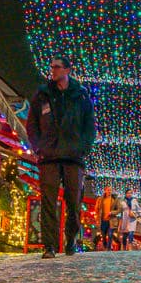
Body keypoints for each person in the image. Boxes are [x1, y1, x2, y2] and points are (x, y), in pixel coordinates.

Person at [25, 58, 94, 257]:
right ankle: (50, 246)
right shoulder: (42, 94)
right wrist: (39, 147)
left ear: (67, 70)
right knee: (48, 201)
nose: (52, 70)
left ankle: (70, 239)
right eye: (51, 67)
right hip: (49, 156)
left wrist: (83, 148)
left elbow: (89, 126)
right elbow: (32, 124)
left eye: (56, 67)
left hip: (74, 157)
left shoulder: (80, 95)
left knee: (74, 202)